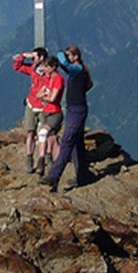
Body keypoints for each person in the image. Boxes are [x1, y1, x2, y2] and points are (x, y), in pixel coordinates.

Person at [41, 45, 95, 191]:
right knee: (77, 144)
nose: (67, 58)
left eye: (69, 55)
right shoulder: (79, 72)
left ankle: (54, 175)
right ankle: (82, 176)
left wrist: (60, 53)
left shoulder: (78, 70)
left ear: (75, 56)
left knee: (67, 141)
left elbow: (64, 63)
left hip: (76, 111)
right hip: (75, 109)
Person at [12, 48, 49, 173]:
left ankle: (43, 160)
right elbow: (16, 66)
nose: (32, 60)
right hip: (32, 104)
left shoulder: (49, 72)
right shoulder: (32, 69)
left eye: (34, 57)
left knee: (44, 134)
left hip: (44, 105)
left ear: (41, 58)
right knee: (30, 133)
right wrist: (23, 55)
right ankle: (30, 159)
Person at [32, 56, 66, 175]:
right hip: (46, 111)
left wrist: (45, 96)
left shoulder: (58, 79)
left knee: (43, 133)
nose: (44, 69)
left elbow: (53, 98)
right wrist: (45, 95)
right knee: (51, 138)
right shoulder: (48, 79)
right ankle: (50, 161)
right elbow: (38, 94)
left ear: (53, 67)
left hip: (55, 112)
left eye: (46, 66)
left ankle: (41, 160)